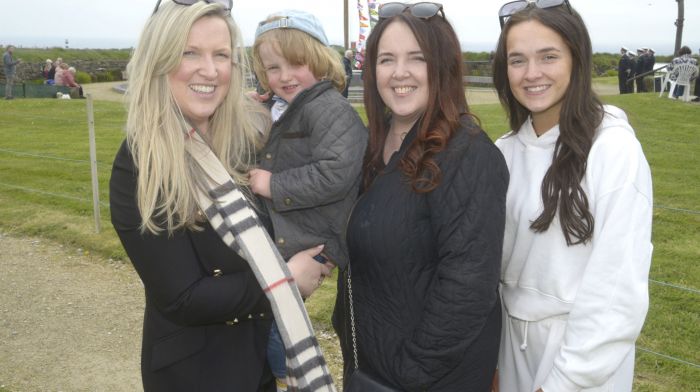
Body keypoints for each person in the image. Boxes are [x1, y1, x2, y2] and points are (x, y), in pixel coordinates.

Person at [109, 1, 333, 390]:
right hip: (197, 374)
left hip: (258, 363)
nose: (209, 71)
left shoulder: (246, 141)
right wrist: (287, 282)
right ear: (158, 60)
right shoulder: (142, 162)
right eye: (189, 52)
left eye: (222, 55)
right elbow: (183, 297)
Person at [333, 3, 508, 390]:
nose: (399, 73)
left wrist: (412, 372)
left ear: (442, 67)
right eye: (386, 59)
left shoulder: (468, 154)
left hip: (424, 379)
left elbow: (468, 287)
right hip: (369, 367)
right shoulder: (371, 149)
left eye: (417, 58)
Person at [492, 1, 653, 391]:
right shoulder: (503, 152)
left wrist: (565, 380)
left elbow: (616, 287)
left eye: (548, 57)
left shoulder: (613, 150)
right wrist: (491, 363)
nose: (532, 74)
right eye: (518, 60)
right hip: (508, 349)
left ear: (576, 59)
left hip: (584, 361)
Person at [250, 9, 368, 391]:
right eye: (273, 67)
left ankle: (287, 377)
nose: (284, 76)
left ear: (318, 60)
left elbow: (336, 174)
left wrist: (274, 184)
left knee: (280, 324)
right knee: (273, 316)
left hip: (311, 241)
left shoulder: (331, 110)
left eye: (296, 64)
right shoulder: (285, 107)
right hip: (289, 237)